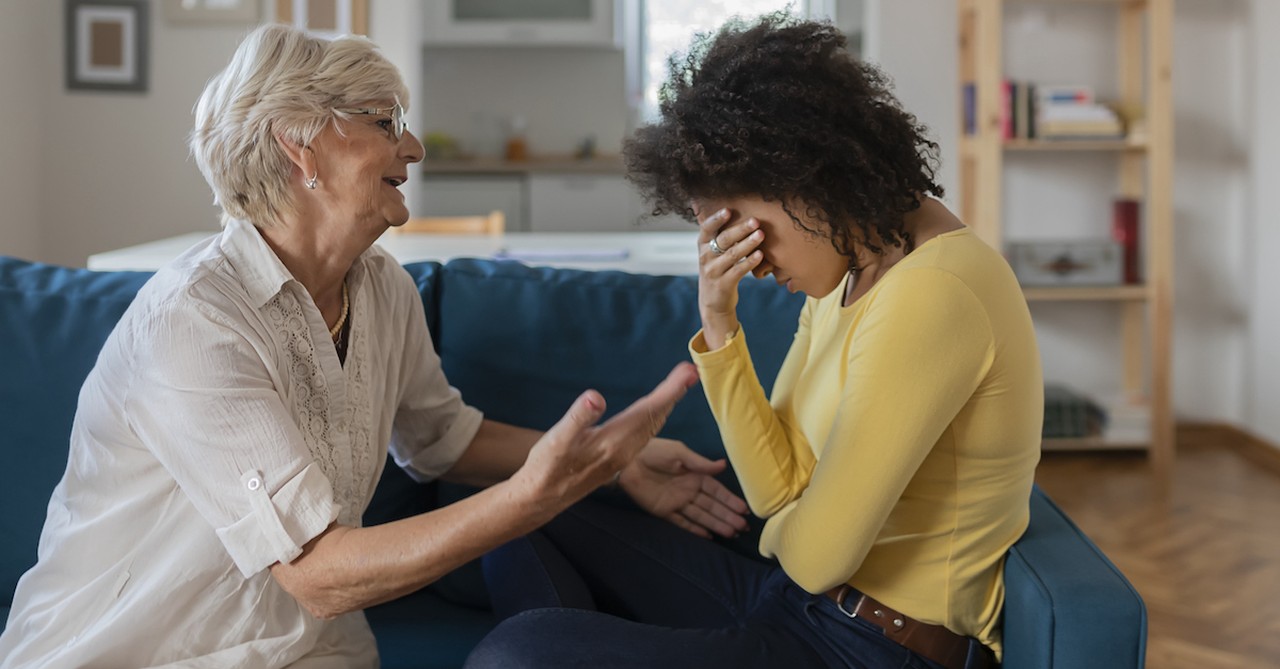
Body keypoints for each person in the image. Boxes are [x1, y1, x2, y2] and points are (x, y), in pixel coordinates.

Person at [0, 24, 751, 669]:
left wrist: (613, 460)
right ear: (299, 147)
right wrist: (533, 497)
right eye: (386, 121)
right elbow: (319, 574)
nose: (415, 146)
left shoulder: (383, 289)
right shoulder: (194, 322)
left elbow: (440, 440)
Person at [467, 13, 1042, 669]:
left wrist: (791, 529)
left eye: (749, 229)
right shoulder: (852, 271)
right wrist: (719, 320)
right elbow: (775, 489)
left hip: (872, 647)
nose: (752, 260)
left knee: (516, 655)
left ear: (806, 178)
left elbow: (821, 551)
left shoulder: (936, 292)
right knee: (511, 514)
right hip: (798, 604)